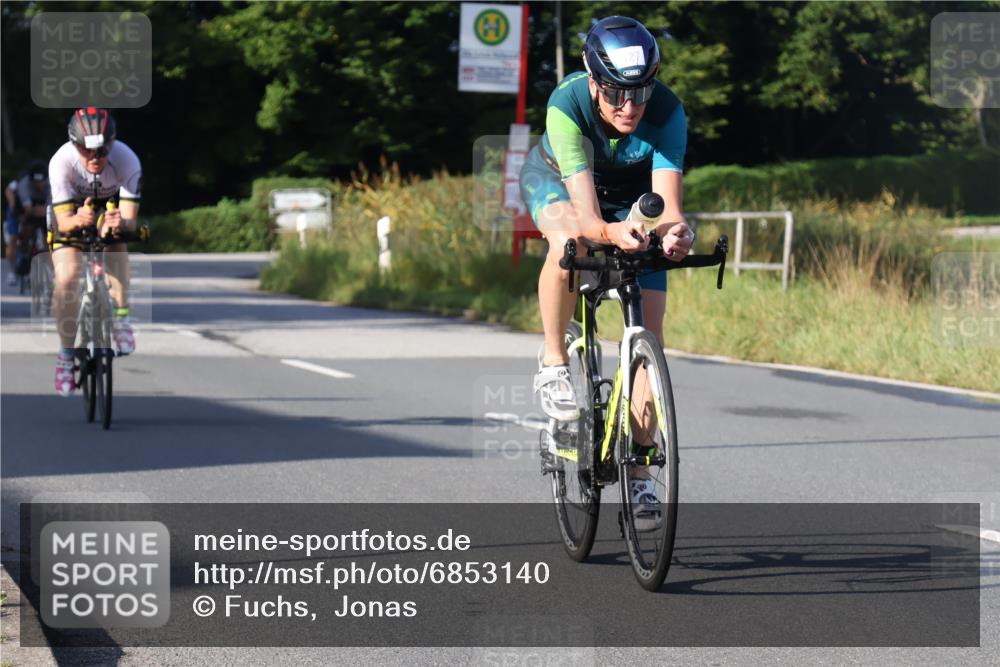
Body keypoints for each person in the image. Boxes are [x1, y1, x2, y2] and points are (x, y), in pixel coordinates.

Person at [519, 16, 694, 521]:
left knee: (648, 345)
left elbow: (669, 206)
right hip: (561, 185)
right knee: (570, 239)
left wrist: (676, 235)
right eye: (617, 93)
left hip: (631, 200)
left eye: (640, 93)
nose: (630, 107)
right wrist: (611, 233)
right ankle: (554, 361)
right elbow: (591, 218)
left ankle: (640, 475)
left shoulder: (667, 111)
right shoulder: (566, 105)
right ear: (594, 80)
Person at [49, 107, 142, 396]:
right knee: (68, 277)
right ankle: (66, 356)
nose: (94, 158)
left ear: (111, 145)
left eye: (101, 152)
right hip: (70, 212)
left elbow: (130, 219)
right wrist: (77, 220)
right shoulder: (61, 162)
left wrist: (117, 222)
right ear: (74, 145)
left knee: (117, 239)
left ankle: (122, 319)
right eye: (86, 151)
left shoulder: (127, 160)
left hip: (108, 209)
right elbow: (63, 222)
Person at [4, 160, 51, 286]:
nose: (38, 185)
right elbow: (28, 209)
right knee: (19, 234)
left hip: (42, 209)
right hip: (22, 209)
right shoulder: (23, 184)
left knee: (51, 236)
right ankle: (19, 262)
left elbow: (51, 206)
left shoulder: (53, 182)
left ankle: (48, 266)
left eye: (41, 182)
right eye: (35, 183)